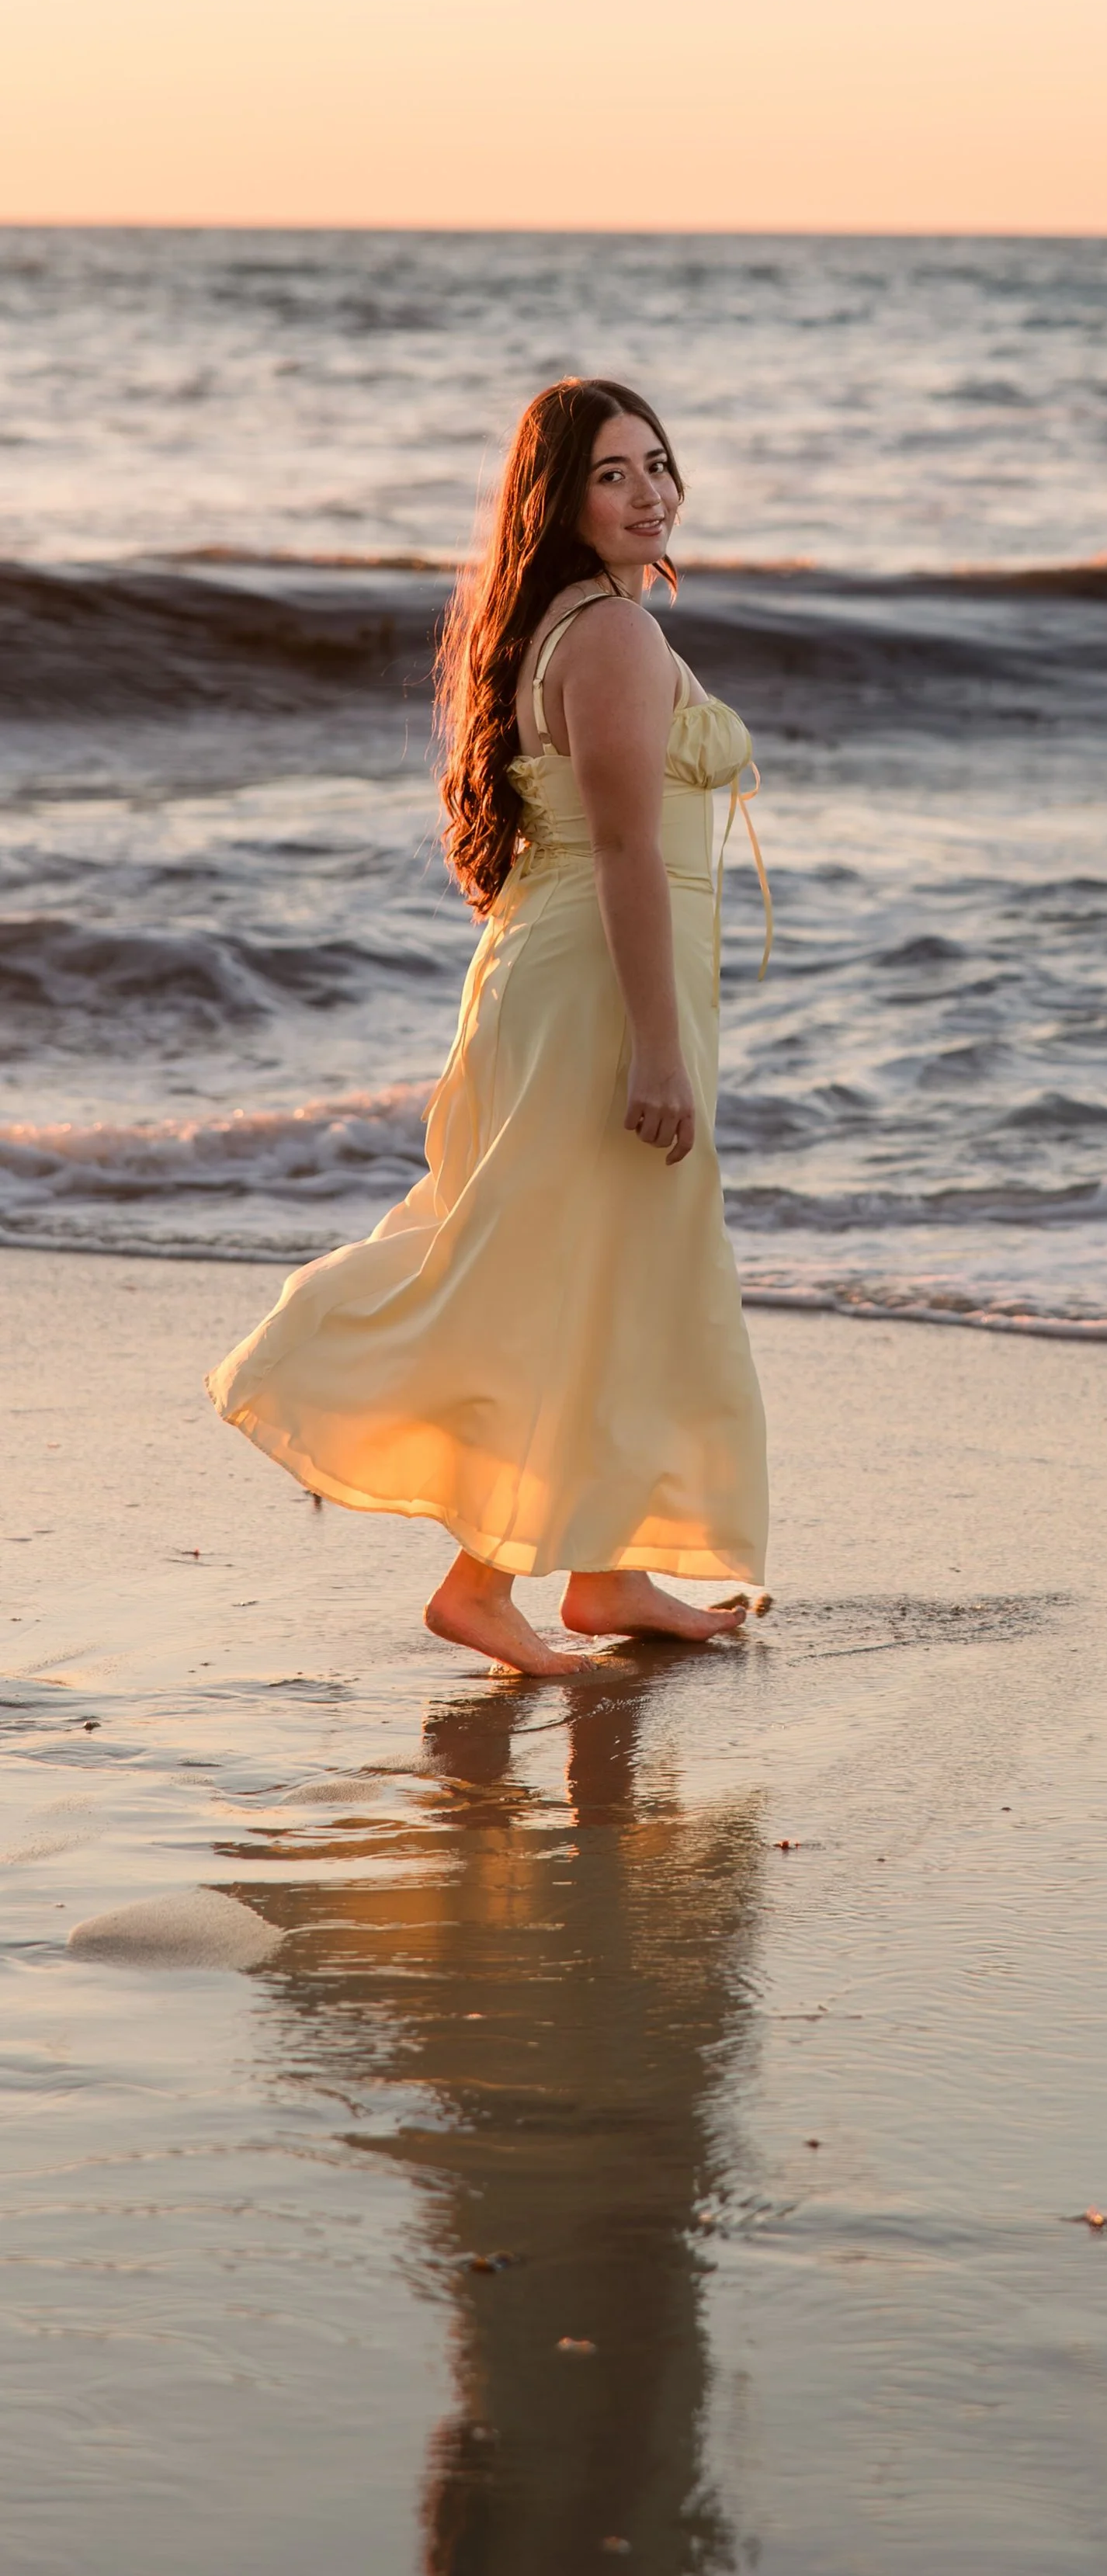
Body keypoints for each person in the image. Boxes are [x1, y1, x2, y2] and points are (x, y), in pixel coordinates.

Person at [207, 378, 769, 1676]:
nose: (652, 493)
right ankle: (480, 1582)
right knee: (562, 1273)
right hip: (603, 988)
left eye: (660, 465)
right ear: (560, 499)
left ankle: (609, 1571)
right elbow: (629, 845)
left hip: (567, 968)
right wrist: (661, 1050)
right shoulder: (617, 639)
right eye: (615, 474)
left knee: (615, 1265)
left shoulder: (575, 621)